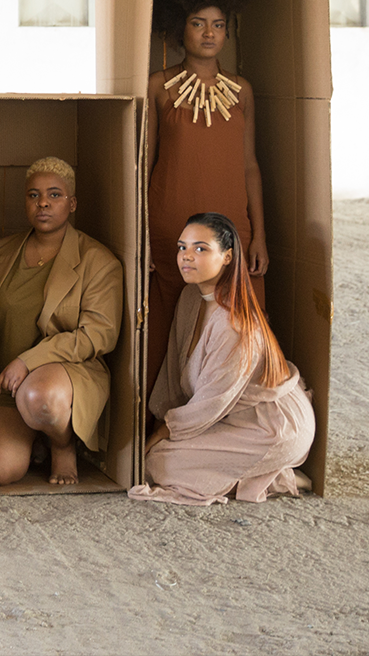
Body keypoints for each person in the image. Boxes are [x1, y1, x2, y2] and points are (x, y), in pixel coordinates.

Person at [129, 213, 313, 507]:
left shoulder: (234, 323)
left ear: (227, 257)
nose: (186, 257)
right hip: (227, 418)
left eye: (200, 249)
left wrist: (167, 430)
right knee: (148, 458)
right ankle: (251, 475)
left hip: (273, 425)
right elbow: (173, 373)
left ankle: (278, 477)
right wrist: (161, 422)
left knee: (158, 464)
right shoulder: (190, 297)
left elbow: (212, 400)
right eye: (182, 247)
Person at [145, 0, 265, 396]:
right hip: (168, 230)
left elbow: (250, 165)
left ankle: (230, 423)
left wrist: (260, 236)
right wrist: (140, 235)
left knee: (237, 328)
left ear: (227, 32)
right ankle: (159, 425)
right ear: (182, 29)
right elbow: (145, 162)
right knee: (167, 329)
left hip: (233, 231)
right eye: (198, 23)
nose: (210, 32)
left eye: (218, 24)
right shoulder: (159, 86)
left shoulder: (242, 90)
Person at [0, 158, 123, 487]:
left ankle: (61, 443)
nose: (43, 203)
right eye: (33, 195)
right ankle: (32, 436)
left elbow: (99, 335)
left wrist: (28, 361)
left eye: (54, 195)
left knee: (39, 397)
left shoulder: (99, 261)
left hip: (63, 375)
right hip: (1, 380)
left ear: (72, 203)